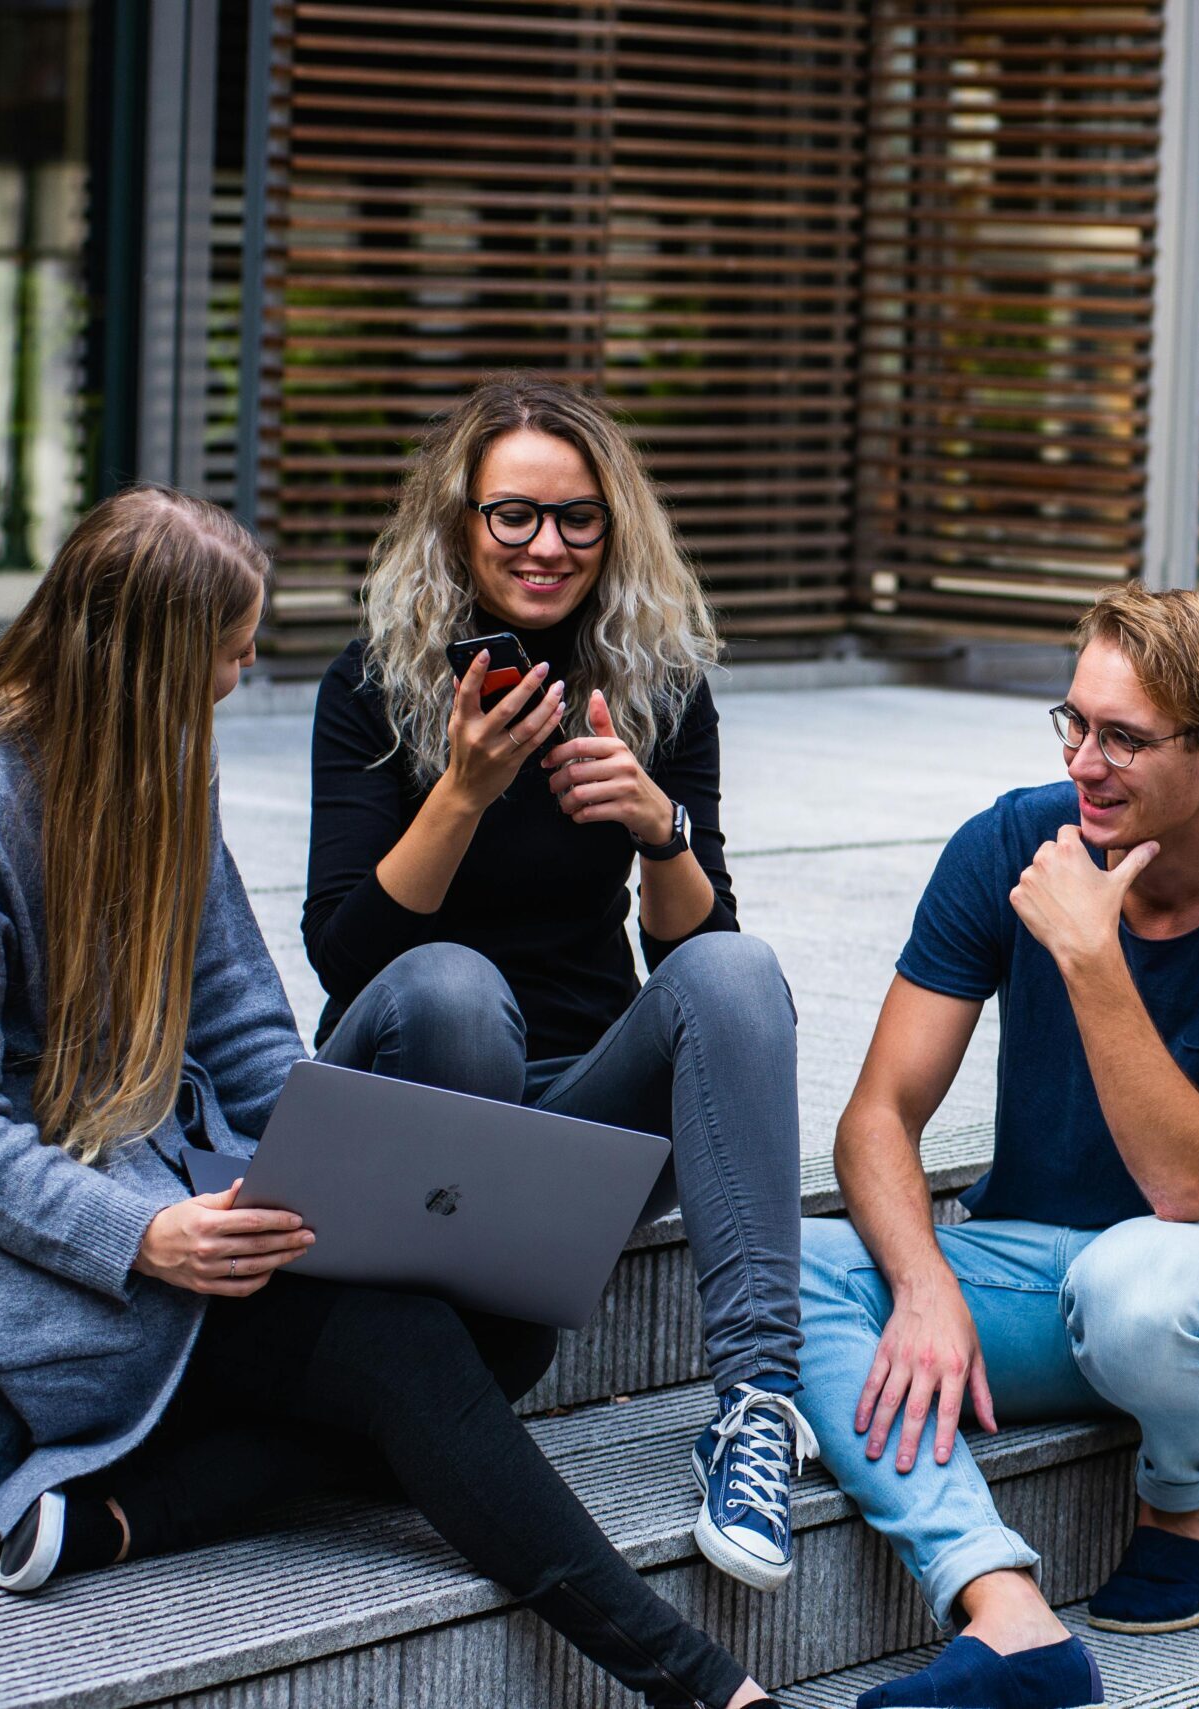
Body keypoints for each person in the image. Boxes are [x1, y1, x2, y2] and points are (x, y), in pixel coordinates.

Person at [0, 486, 784, 1709]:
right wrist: (143, 1234)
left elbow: (240, 1023)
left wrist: (318, 1170)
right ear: (148, 654)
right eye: (226, 656)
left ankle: (131, 1510)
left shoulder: (158, 763)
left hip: (185, 1195)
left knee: (506, 1334)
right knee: (405, 1348)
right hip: (39, 1250)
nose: (235, 682)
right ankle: (698, 1680)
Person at [796, 585, 1199, 1709]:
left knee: (1142, 1282)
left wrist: (1091, 954)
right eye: (1072, 722)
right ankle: (1002, 1609)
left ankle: (1188, 1488)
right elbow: (877, 1113)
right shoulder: (1009, 840)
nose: (1084, 761)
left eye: (1122, 737)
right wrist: (921, 1284)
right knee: (783, 1262)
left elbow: (1189, 1178)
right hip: (1024, 1262)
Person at [303, 372, 817, 1599]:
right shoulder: (373, 685)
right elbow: (344, 955)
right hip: (415, 1093)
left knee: (737, 971)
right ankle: (442, 1359)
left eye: (577, 517)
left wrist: (660, 828)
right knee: (453, 988)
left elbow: (701, 961)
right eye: (513, 516)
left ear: (614, 524)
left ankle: (755, 1405)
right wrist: (464, 788)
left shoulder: (658, 683)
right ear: (458, 521)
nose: (547, 546)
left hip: (577, 1122)